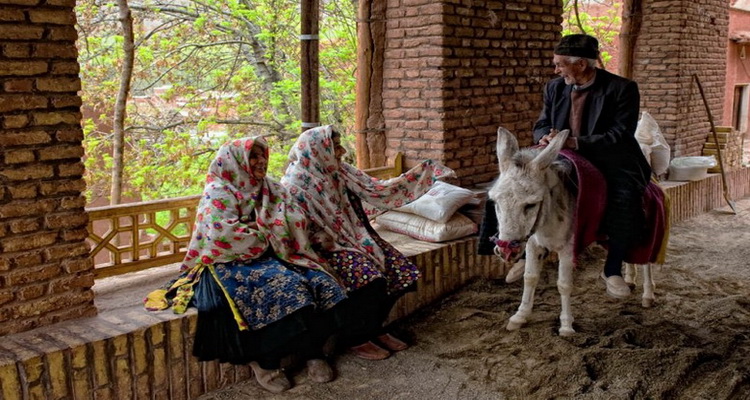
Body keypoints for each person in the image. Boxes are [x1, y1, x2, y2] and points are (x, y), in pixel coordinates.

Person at [144, 137, 348, 393]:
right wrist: (270, 232)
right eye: (253, 156)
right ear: (235, 161)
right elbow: (223, 237)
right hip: (228, 261)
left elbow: (295, 219)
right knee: (288, 288)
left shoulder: (271, 188)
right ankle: (265, 361)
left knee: (324, 282)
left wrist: (264, 230)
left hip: (277, 254)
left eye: (262, 155)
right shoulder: (219, 190)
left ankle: (313, 352)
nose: (260, 161)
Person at [281, 125, 455, 360]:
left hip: (355, 235)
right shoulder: (295, 184)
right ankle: (357, 338)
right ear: (317, 150)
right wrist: (331, 242)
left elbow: (378, 190)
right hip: (326, 247)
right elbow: (299, 229)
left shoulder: (340, 170)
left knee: (402, 273)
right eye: (335, 146)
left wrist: (424, 173)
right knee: (369, 281)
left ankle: (375, 328)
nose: (342, 150)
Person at [532, 34, 651, 299]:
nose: (556, 70)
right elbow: (541, 122)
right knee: (518, 181)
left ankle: (612, 269)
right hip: (563, 155)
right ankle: (511, 249)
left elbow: (620, 134)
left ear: (582, 65)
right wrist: (544, 137)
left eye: (561, 64)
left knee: (625, 197)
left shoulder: (622, 88)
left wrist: (577, 142)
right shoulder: (555, 87)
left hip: (612, 158)